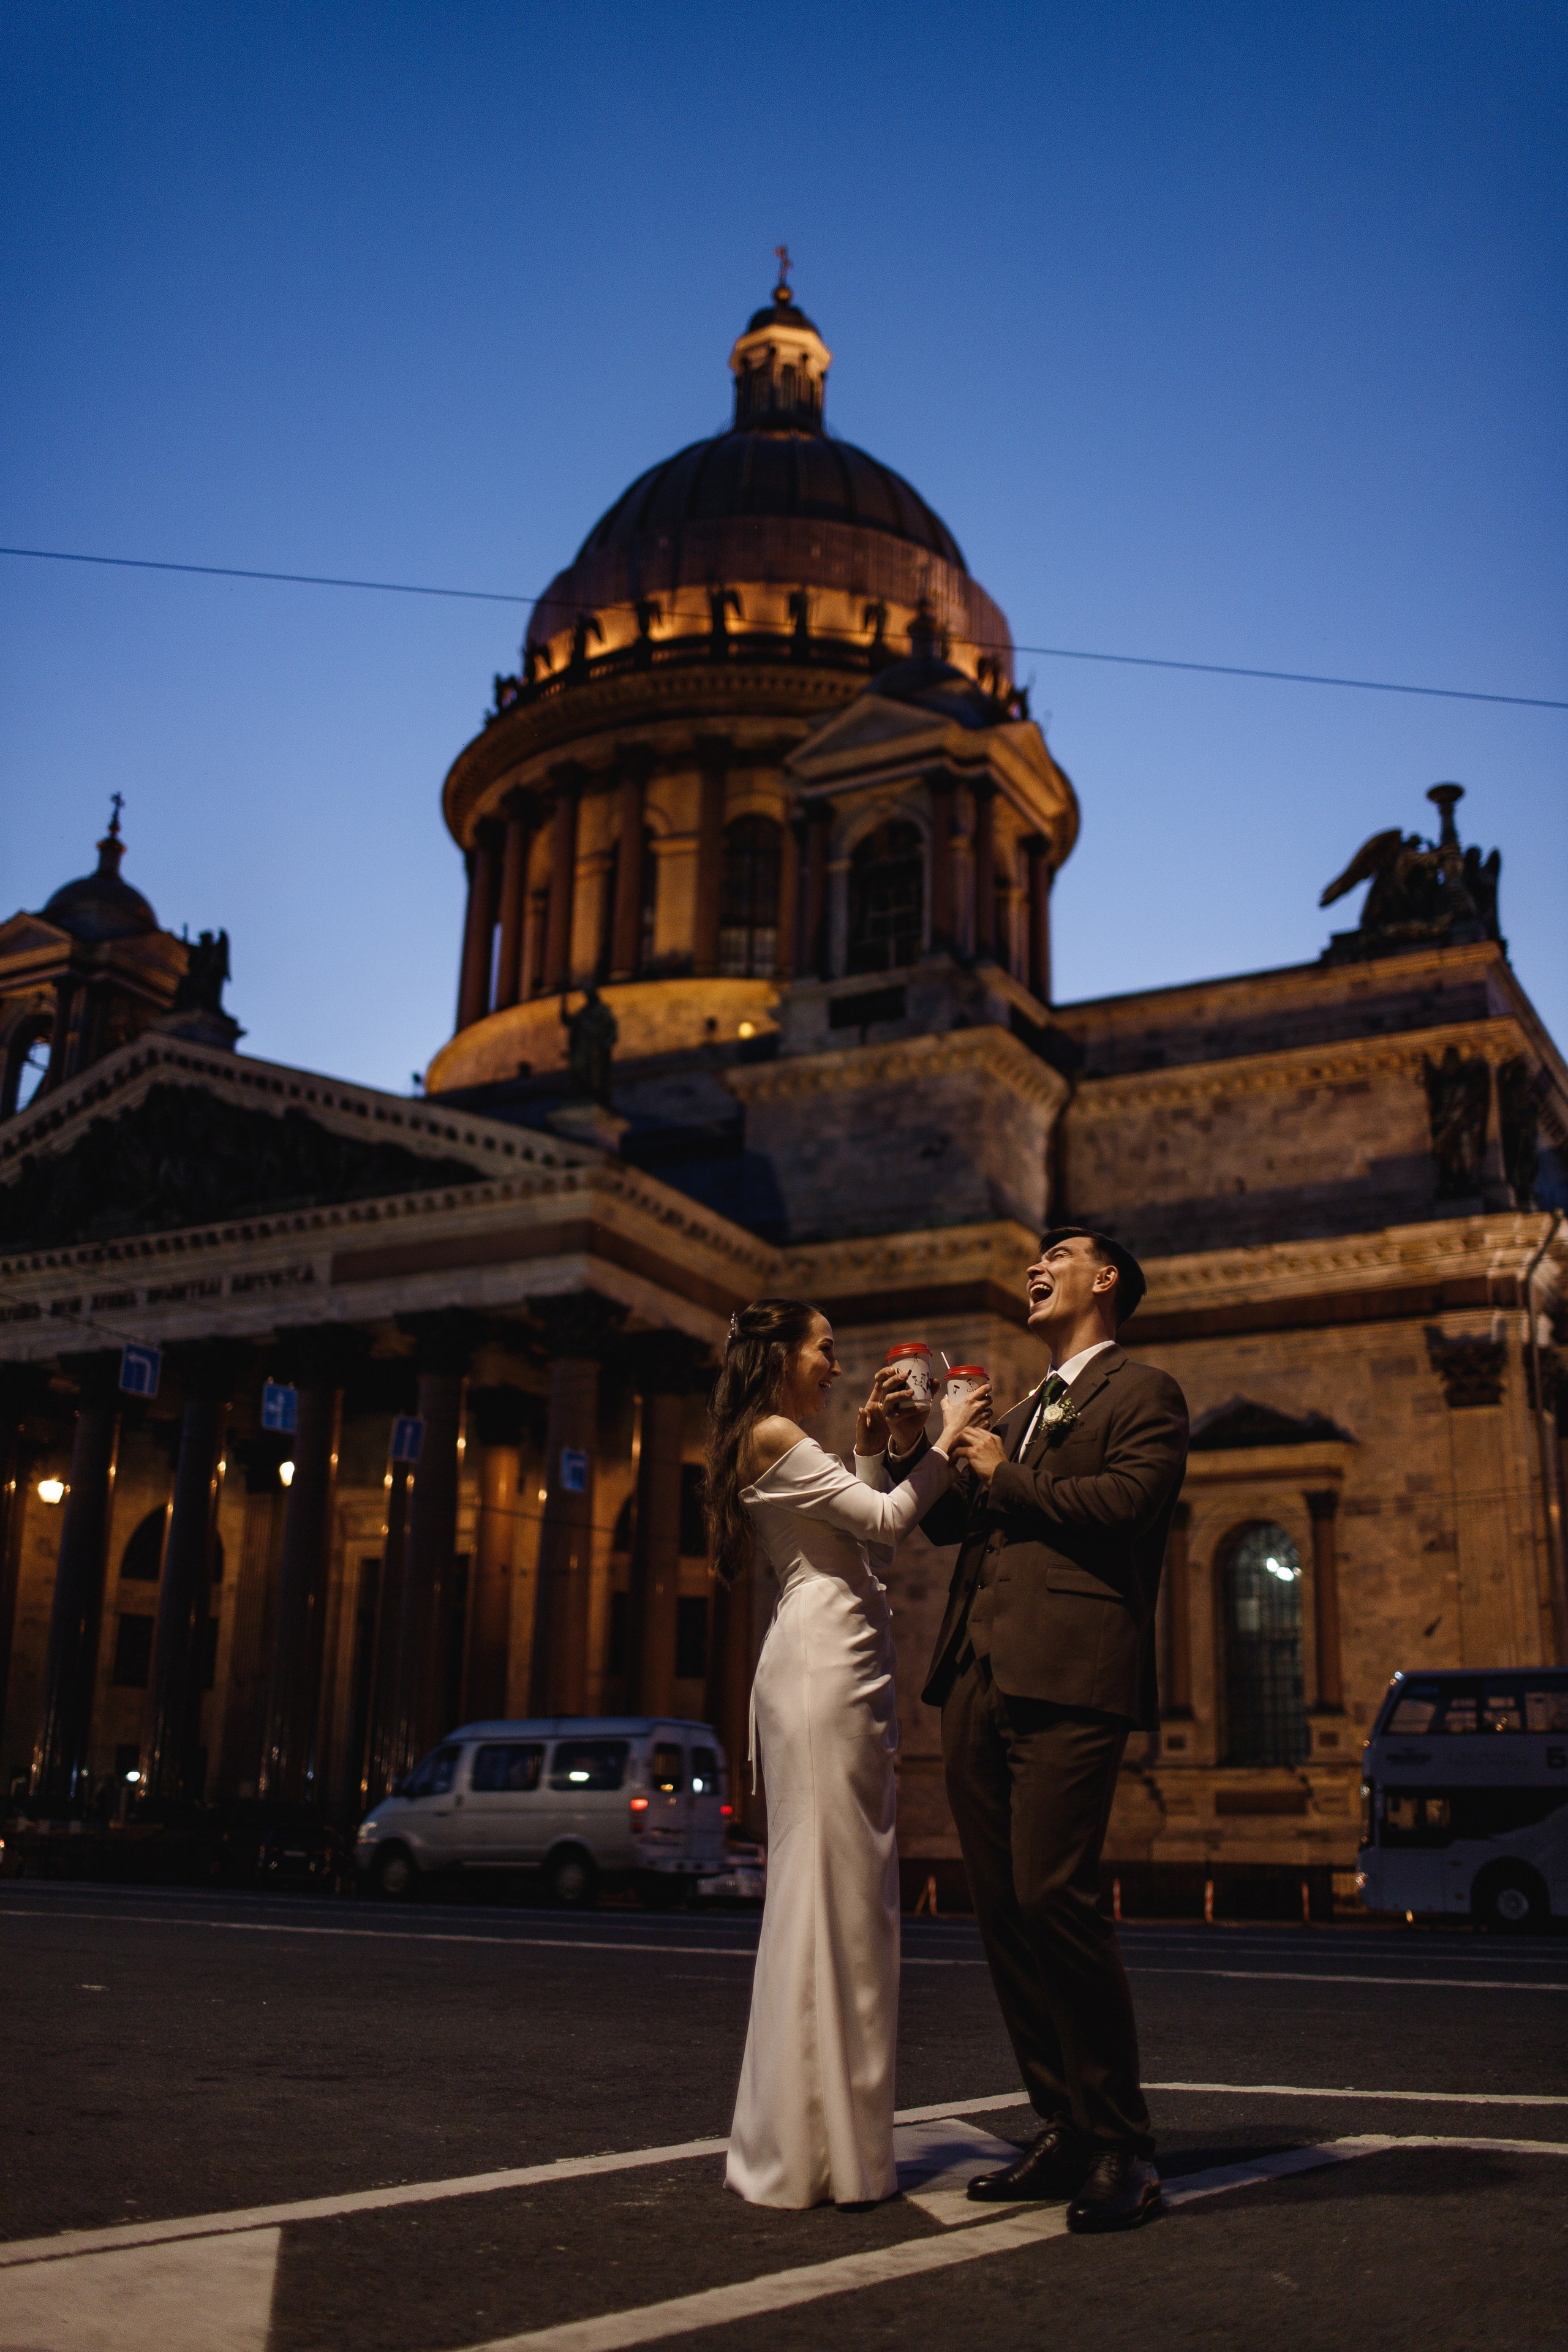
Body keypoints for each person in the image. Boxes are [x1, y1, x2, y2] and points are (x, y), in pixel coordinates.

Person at [874, 1227, 1188, 2232]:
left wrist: (1002, 1467)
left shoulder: (1145, 1395)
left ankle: (1123, 2144)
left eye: (1058, 1253)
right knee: (1003, 1907)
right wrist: (909, 1448)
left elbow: (1128, 1506)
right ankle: (1061, 2126)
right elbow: (949, 1523)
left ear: (1106, 1280)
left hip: (1069, 1675)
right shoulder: (1022, 1405)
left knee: (1057, 1892)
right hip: (976, 1675)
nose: (1034, 1267)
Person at [706, 1296, 990, 2208]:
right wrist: (945, 1434)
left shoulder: (785, 1439)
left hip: (841, 1666)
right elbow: (887, 1522)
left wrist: (875, 1448)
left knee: (849, 1907)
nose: (838, 1365)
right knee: (825, 1901)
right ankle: (800, 2148)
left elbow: (860, 1539)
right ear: (783, 1354)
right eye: (824, 1350)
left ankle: (828, 2146)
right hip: (821, 1676)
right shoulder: (773, 1435)